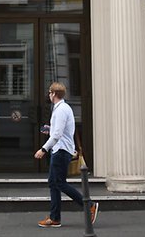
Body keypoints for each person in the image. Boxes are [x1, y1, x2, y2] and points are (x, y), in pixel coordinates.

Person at [34, 82, 99, 228]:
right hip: (60, 149)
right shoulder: (61, 109)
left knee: (59, 183)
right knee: (54, 183)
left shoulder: (61, 110)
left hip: (61, 151)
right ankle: (54, 218)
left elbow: (57, 134)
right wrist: (50, 130)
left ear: (54, 94)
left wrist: (43, 149)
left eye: (50, 93)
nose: (49, 95)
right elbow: (58, 131)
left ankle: (89, 205)